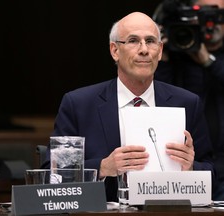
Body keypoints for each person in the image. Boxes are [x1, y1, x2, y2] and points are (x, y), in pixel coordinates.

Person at [42, 11, 214, 202]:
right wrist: (103, 167)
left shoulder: (187, 103)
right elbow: (53, 175)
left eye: (150, 41)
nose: (143, 50)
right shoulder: (79, 104)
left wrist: (190, 168)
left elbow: (211, 172)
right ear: (115, 50)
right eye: (133, 41)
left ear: (159, 50)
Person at [153, 0, 224, 201]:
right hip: (184, 164)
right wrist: (163, 55)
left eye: (219, 15)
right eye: (204, 13)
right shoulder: (177, 57)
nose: (212, 21)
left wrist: (207, 61)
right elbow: (157, 100)